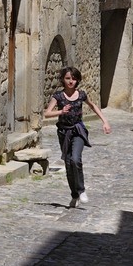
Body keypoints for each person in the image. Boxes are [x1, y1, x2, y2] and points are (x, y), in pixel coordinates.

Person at [43, 66, 110, 207]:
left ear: (77, 80)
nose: (71, 81)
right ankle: (74, 195)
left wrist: (105, 121)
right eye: (68, 78)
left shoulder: (81, 95)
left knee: (75, 159)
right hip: (64, 133)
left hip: (78, 131)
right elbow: (47, 113)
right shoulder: (58, 96)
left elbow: (93, 106)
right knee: (68, 164)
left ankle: (81, 190)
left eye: (74, 78)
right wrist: (61, 112)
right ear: (63, 79)